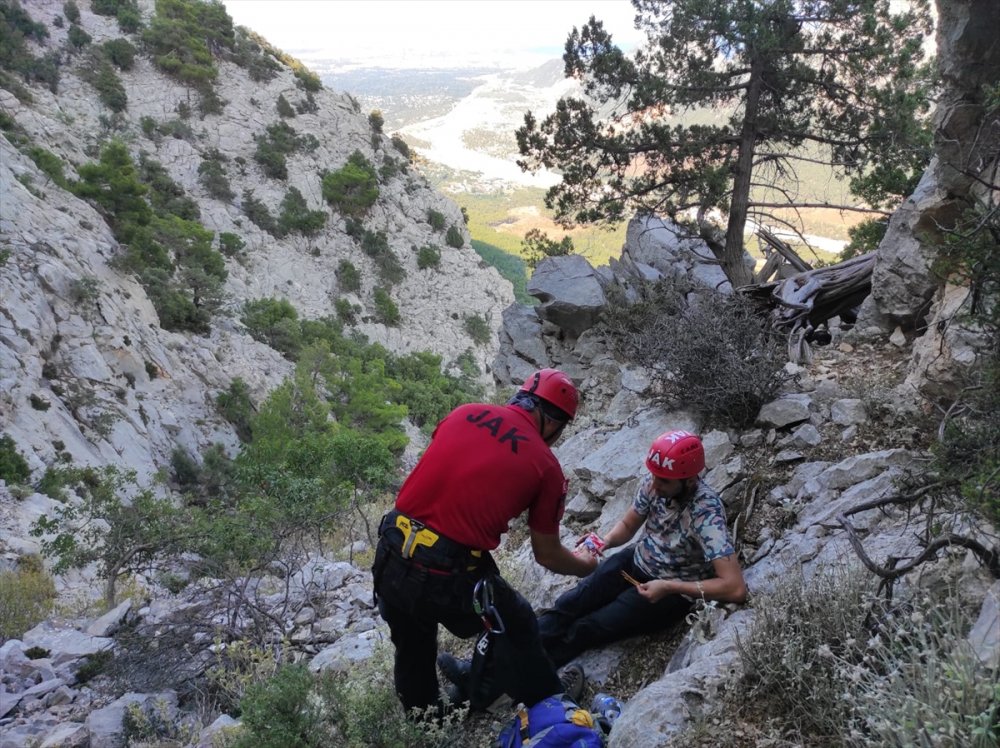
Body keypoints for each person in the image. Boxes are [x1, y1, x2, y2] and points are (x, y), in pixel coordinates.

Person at [371, 368, 598, 721]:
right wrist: (586, 564)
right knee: (516, 621)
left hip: (392, 550)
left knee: (413, 646)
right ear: (553, 423)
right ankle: (550, 701)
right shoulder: (545, 467)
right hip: (447, 570)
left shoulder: (463, 412)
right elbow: (547, 554)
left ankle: (427, 722)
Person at [537, 430, 748, 667]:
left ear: (689, 480)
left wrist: (669, 587)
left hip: (670, 591)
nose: (655, 485)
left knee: (588, 626)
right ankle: (514, 648)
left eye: (664, 480)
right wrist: (602, 542)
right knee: (571, 602)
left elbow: (735, 587)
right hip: (636, 561)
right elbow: (628, 524)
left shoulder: (705, 513)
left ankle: (534, 670)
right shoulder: (655, 483)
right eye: (654, 476)